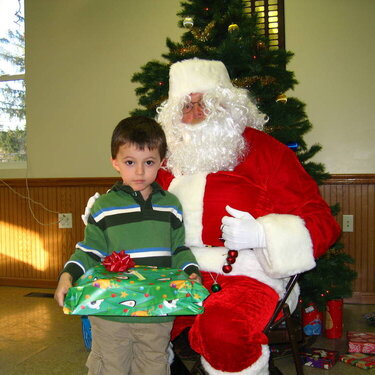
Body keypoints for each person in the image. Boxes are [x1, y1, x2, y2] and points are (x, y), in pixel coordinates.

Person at [82, 58, 341, 375]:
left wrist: (264, 235)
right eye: (186, 107)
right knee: (125, 317)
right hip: (177, 269)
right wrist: (109, 216)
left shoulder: (267, 152)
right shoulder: (163, 158)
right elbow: (140, 206)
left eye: (206, 102)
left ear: (227, 104)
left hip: (250, 272)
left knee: (223, 329)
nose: (195, 114)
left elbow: (322, 223)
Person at [54, 116, 201, 375]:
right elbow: (90, 250)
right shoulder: (104, 207)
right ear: (115, 162)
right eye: (130, 162)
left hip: (158, 311)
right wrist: (68, 275)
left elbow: (179, 248)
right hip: (109, 312)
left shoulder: (170, 205)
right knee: (111, 366)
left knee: (154, 364)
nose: (140, 172)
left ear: (161, 163)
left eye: (149, 162)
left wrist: (191, 272)